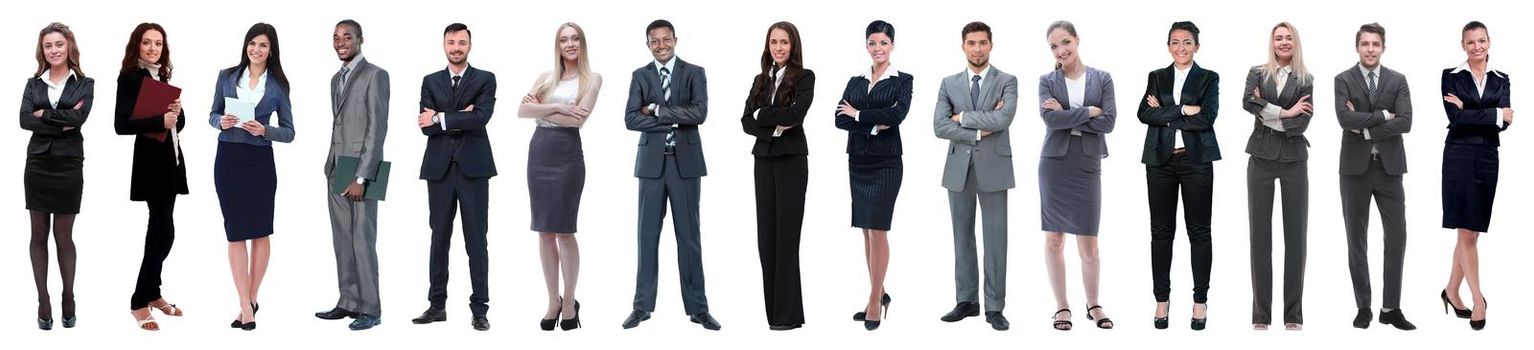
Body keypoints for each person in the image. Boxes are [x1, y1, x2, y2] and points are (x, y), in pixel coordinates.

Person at [621, 19, 720, 331]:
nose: (661, 45)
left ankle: (699, 308)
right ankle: (641, 307)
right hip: (651, 167)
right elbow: (630, 118)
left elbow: (699, 113)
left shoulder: (694, 73)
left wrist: (657, 110)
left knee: (689, 238)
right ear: (648, 44)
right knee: (646, 237)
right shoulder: (640, 75)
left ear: (675, 39)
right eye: (655, 41)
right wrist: (674, 119)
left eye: (666, 39)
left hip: (685, 165)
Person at [410, 23, 497, 332]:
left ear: (469, 46)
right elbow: (425, 126)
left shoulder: (485, 79)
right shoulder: (430, 81)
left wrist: (442, 117)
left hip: (474, 169)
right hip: (439, 169)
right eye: (451, 42)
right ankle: (436, 305)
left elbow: (482, 117)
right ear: (443, 45)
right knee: (439, 239)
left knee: (476, 241)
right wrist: (459, 118)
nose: (456, 47)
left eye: (462, 42)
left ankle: (480, 309)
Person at [208, 22, 294, 331]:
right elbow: (212, 114)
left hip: (259, 161)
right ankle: (244, 303)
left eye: (263, 46)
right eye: (252, 43)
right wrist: (223, 122)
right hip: (229, 160)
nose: (256, 49)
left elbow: (289, 131)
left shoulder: (278, 86)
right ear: (246, 45)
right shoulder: (227, 76)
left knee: (260, 231)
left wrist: (265, 129)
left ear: (271, 52)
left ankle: (251, 299)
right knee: (235, 233)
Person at [517, 22, 601, 332]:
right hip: (539, 153)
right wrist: (556, 107)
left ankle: (570, 301)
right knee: (543, 232)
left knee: (564, 231)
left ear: (582, 43)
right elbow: (520, 111)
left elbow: (579, 121)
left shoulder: (592, 79)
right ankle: (553, 299)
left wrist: (541, 108)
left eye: (575, 38)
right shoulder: (545, 78)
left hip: (567, 156)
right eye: (564, 39)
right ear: (558, 44)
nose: (569, 43)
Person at [933, 21, 1017, 331]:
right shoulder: (948, 83)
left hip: (995, 167)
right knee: (961, 237)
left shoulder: (1007, 81)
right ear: (963, 46)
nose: (977, 48)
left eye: (982, 42)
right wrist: (980, 130)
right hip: (958, 168)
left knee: (996, 239)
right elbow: (940, 126)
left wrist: (963, 118)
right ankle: (966, 300)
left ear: (991, 45)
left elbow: (1004, 117)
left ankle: (995, 306)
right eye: (972, 43)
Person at [1138, 21, 1220, 331]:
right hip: (1159, 162)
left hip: (1196, 161)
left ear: (1197, 46)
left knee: (1199, 232)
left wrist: (1167, 112)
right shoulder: (1156, 77)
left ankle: (1200, 300)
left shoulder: (1208, 78)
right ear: (1168, 46)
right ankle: (1162, 299)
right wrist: (1184, 111)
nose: (1181, 48)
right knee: (1160, 233)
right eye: (1175, 42)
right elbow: (1144, 114)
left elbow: (1208, 118)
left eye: (1187, 42)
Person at [1036, 20, 1116, 331]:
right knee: (1054, 239)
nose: (1061, 50)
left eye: (1065, 42)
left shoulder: (1102, 78)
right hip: (1054, 164)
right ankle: (1062, 306)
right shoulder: (1047, 80)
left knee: (1089, 243)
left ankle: (1093, 304)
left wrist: (1068, 114)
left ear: (1077, 40)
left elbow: (1109, 122)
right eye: (1054, 46)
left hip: (1087, 164)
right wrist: (1089, 112)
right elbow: (1049, 120)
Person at [1334, 22, 1415, 331]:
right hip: (1353, 171)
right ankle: (1363, 307)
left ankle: (1390, 308)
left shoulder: (1398, 80)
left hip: (1390, 169)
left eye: (1375, 44)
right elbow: (1344, 118)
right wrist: (1383, 116)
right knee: (1356, 239)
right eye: (1365, 44)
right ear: (1357, 47)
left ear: (1383, 47)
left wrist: (1364, 126)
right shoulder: (1343, 79)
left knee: (1397, 237)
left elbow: (1406, 122)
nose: (1370, 49)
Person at [835, 19, 911, 332]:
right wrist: (870, 123)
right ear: (866, 46)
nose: (877, 48)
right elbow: (839, 119)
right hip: (859, 162)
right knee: (866, 231)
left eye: (883, 43)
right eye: (872, 43)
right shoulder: (855, 81)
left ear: (892, 45)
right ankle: (879, 293)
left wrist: (859, 114)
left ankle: (874, 300)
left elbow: (897, 115)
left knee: (878, 230)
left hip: (886, 163)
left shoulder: (902, 80)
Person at [315, 19, 390, 331]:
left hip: (363, 168)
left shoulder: (376, 75)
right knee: (342, 240)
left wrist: (362, 176)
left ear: (361, 39)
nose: (340, 41)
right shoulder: (336, 78)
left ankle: (371, 309)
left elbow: (378, 128)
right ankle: (348, 301)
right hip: (336, 165)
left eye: (347, 36)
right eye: (336, 37)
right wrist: (332, 165)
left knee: (363, 239)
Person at [738, 21, 814, 332]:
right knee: (766, 238)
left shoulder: (804, 77)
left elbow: (796, 115)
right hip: (763, 161)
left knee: (786, 239)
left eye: (784, 42)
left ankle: (788, 316)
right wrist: (772, 125)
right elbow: (744, 120)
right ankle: (773, 316)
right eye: (774, 42)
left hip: (791, 162)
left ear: (793, 46)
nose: (778, 48)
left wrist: (762, 116)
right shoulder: (760, 79)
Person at [113, 22, 187, 332]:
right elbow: (121, 124)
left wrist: (177, 113)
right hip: (151, 164)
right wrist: (161, 118)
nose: (153, 48)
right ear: (137, 45)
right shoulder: (130, 78)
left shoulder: (162, 76)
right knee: (163, 231)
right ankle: (138, 301)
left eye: (158, 43)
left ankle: (153, 293)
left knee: (159, 230)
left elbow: (177, 125)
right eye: (147, 43)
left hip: (171, 160)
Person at [1242, 22, 1314, 331]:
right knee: (1260, 236)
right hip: (1260, 158)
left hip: (1295, 160)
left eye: (1288, 38)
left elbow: (1303, 123)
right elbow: (1247, 102)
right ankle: (1261, 314)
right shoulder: (1257, 72)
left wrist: (1265, 110)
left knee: (1295, 237)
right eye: (1278, 38)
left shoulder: (1306, 78)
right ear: (1272, 43)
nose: (1283, 42)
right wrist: (1286, 112)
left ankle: (1293, 314)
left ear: (1295, 43)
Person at [1438, 20, 1509, 332]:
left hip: (1488, 157)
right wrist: (1492, 114)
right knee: (1467, 231)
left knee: (1472, 230)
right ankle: (1478, 298)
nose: (1477, 47)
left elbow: (1506, 123)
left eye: (1482, 41)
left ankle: (1451, 290)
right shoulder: (1450, 76)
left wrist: (1471, 112)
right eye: (1471, 42)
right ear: (1463, 45)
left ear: (1489, 41)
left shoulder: (1501, 78)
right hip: (1459, 155)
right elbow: (1456, 119)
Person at [21, 22, 92, 331]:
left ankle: (68, 295)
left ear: (69, 47)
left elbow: (79, 119)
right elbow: (24, 120)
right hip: (37, 164)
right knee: (38, 234)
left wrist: (44, 115)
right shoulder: (33, 84)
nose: (54, 50)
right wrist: (61, 120)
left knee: (63, 235)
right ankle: (43, 299)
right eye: (48, 46)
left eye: (59, 44)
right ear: (43, 50)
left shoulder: (85, 83)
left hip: (68, 165)